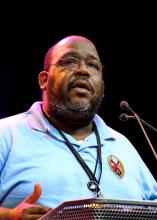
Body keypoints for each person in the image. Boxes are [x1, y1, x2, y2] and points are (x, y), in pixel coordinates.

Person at [0, 35, 157, 219]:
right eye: (70, 61)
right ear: (44, 80)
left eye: (93, 65)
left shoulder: (122, 145)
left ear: (103, 87)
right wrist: (9, 215)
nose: (83, 71)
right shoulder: (7, 134)